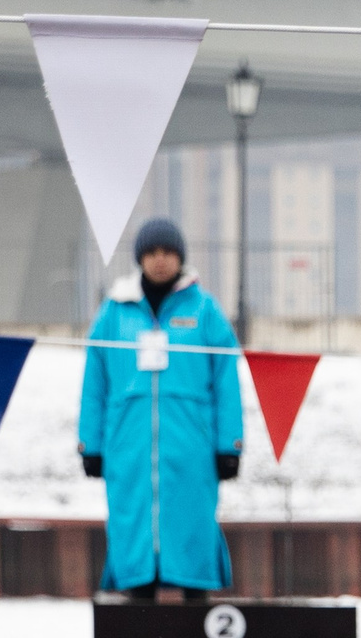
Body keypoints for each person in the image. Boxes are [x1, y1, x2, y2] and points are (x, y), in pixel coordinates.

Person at [78, 217, 242, 600]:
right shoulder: (113, 314)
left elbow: (226, 381)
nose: (160, 260)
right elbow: (94, 383)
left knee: (192, 524)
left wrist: (229, 445)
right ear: (140, 258)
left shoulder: (205, 311)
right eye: (152, 252)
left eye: (168, 252)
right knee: (131, 524)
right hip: (127, 450)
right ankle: (137, 609)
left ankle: (195, 616)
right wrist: (91, 444)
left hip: (192, 450)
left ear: (180, 257)